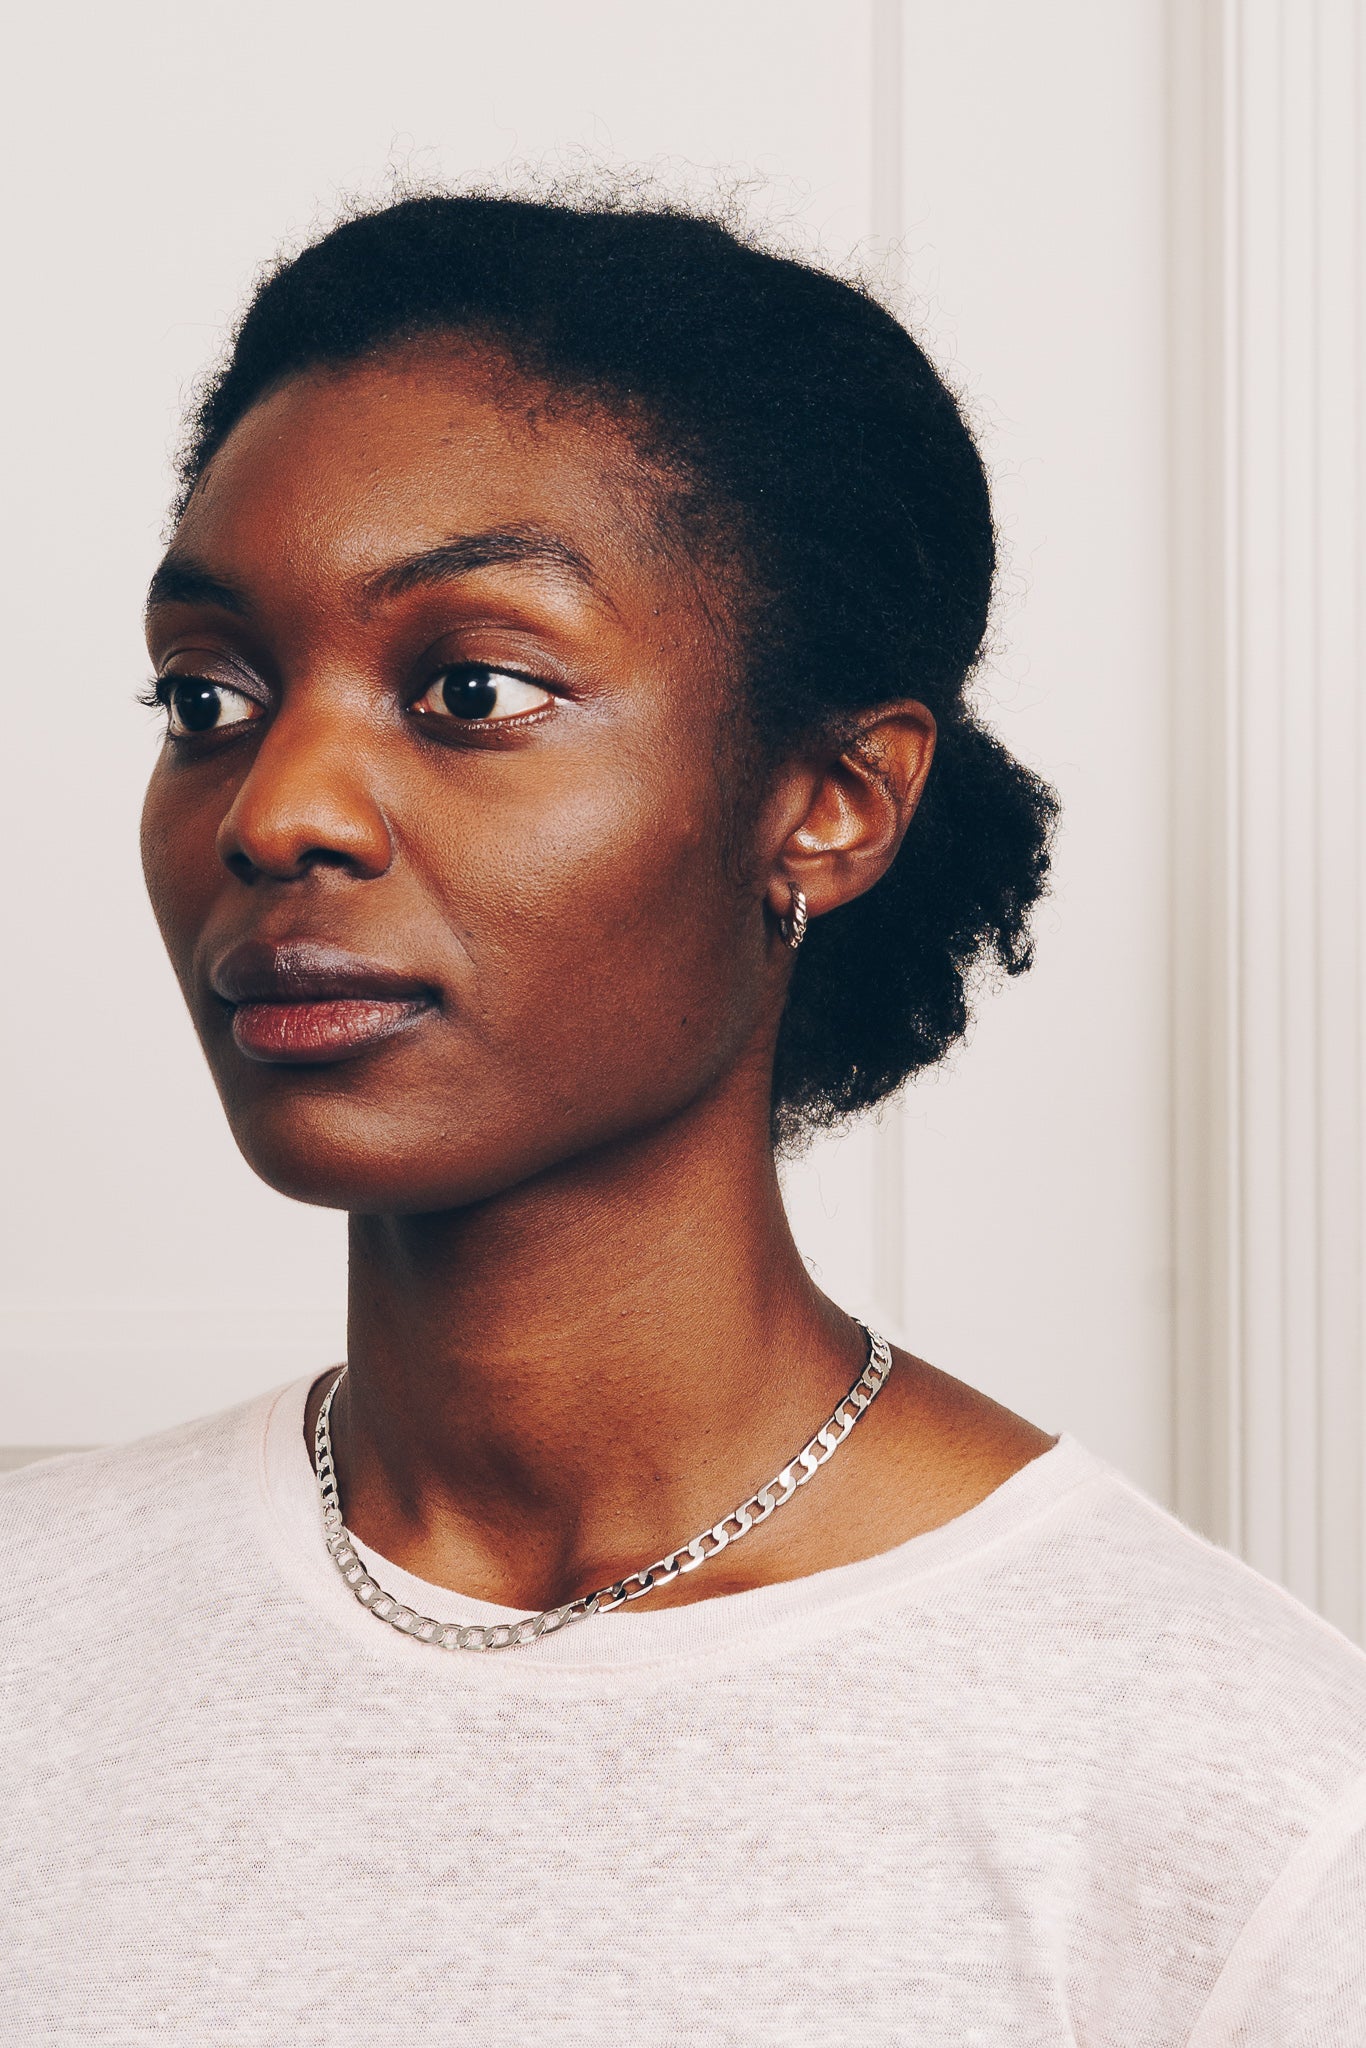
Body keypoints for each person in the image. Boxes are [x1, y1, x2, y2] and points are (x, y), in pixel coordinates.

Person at [4, 190, 1363, 2046]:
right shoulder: (31, 1632)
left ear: (826, 804)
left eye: (469, 689)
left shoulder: (1237, 1802)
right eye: (208, 694)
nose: (276, 811)